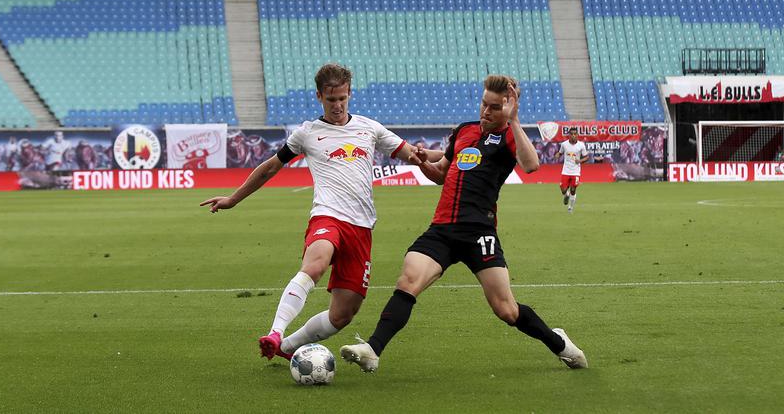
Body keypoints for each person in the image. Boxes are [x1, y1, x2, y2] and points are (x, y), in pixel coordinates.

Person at [339, 75, 587, 374]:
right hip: (442, 229)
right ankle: (372, 349)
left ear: (506, 109)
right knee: (408, 281)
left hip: (479, 233)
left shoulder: (509, 136)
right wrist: (422, 162)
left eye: (494, 107)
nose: (486, 111)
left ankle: (559, 344)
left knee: (506, 310)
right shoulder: (464, 131)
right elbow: (443, 171)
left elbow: (531, 164)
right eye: (484, 103)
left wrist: (516, 121)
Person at [199, 63, 431, 361]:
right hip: (327, 216)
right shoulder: (307, 133)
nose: (337, 105)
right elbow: (271, 167)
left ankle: (284, 347)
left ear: (350, 94)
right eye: (331, 99)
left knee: (343, 314)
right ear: (320, 96)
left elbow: (415, 155)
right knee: (316, 263)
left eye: (342, 98)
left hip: (361, 228)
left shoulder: (369, 128)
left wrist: (452, 156)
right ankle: (275, 331)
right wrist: (234, 198)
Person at [560, 131, 589, 213]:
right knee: (563, 190)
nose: (573, 136)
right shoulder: (564, 144)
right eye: (571, 134)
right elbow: (560, 152)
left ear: (577, 135)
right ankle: (566, 195)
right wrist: (557, 155)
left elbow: (586, 157)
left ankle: (570, 208)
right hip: (565, 170)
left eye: (575, 134)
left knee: (573, 190)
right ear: (569, 135)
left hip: (576, 171)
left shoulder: (581, 145)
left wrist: (580, 161)